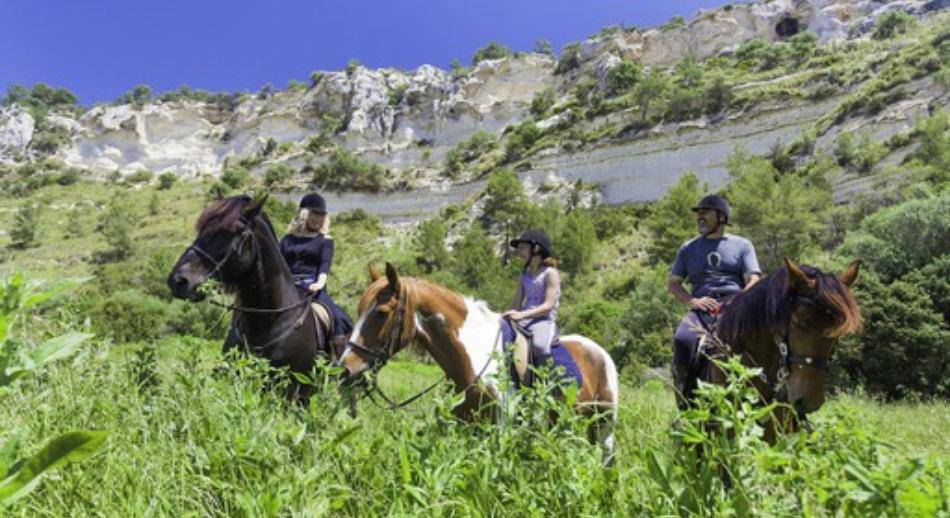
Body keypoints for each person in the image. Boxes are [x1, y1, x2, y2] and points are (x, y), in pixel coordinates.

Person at [667, 194, 761, 409]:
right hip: (702, 307)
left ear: (721, 216)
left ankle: (781, 397)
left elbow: (754, 278)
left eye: (705, 212)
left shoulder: (742, 245)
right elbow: (674, 284)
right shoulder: (688, 249)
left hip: (737, 304)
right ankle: (684, 405)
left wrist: (741, 302)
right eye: (698, 213)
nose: (700, 217)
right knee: (682, 339)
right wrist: (693, 301)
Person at [279, 193, 353, 358]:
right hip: (287, 286)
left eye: (321, 215)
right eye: (314, 213)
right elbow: (278, 264)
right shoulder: (287, 240)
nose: (317, 218)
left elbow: (324, 266)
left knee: (338, 318)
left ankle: (337, 362)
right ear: (303, 214)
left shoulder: (325, 240)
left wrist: (319, 284)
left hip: (313, 287)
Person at [502, 230, 561, 386]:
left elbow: (548, 306)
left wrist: (521, 315)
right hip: (524, 320)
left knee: (540, 346)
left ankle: (545, 388)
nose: (518, 253)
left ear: (535, 249)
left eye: (522, 248)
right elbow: (516, 305)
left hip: (543, 321)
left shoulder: (550, 273)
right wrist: (504, 317)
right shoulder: (524, 277)